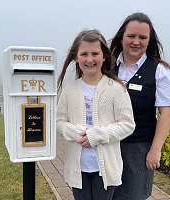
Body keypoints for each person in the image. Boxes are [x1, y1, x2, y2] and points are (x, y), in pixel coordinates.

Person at [56, 29, 135, 200]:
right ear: (76, 57)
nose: (90, 59)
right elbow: (59, 121)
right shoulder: (69, 89)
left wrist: (96, 135)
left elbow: (128, 125)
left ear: (104, 56)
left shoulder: (116, 88)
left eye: (95, 53)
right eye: (84, 54)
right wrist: (78, 134)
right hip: (78, 168)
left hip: (105, 168)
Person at [110, 12, 170, 200]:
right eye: (131, 36)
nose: (136, 41)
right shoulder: (107, 67)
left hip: (138, 148)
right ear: (122, 38)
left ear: (149, 41)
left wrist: (155, 150)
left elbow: (166, 113)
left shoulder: (159, 70)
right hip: (108, 144)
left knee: (133, 196)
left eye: (142, 37)